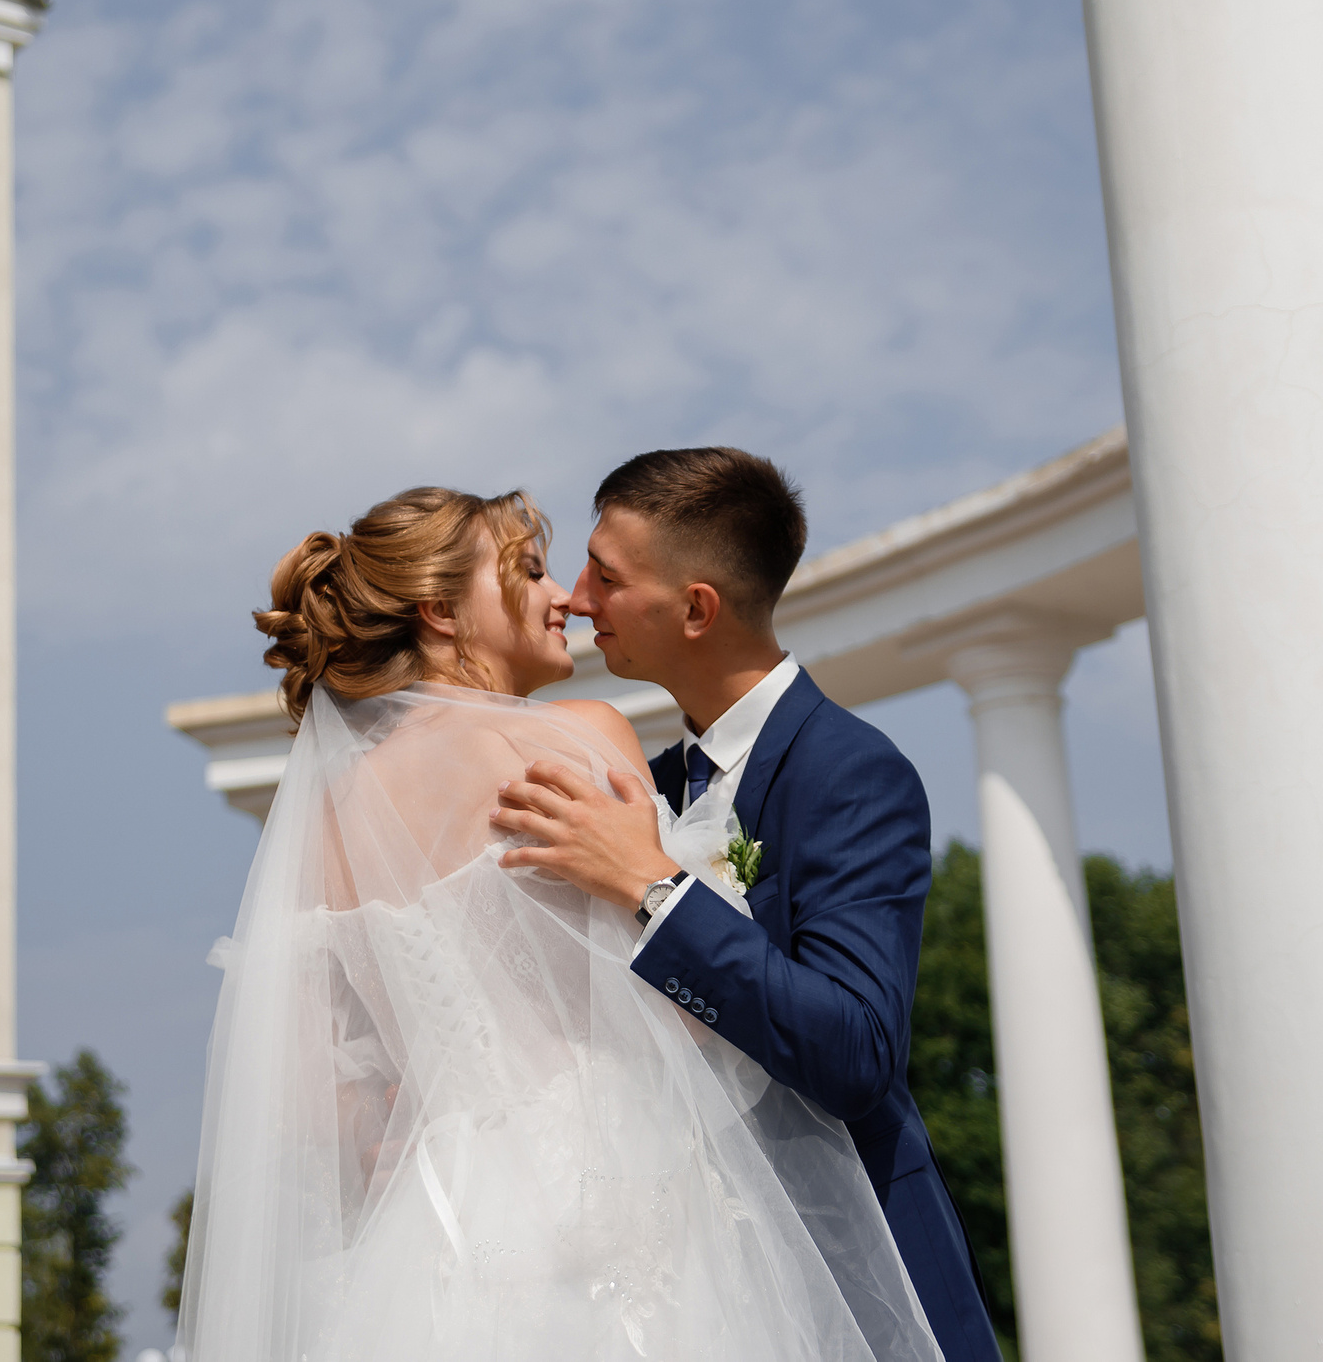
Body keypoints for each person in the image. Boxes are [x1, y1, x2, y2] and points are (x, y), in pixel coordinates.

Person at [173, 485, 943, 1362]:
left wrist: (431, 1121)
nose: (564, 597)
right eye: (530, 571)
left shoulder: (326, 821)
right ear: (440, 610)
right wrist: (666, 892)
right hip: (623, 1205)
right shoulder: (579, 738)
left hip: (442, 1236)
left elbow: (318, 1118)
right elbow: (689, 1036)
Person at [493, 448, 1001, 1362]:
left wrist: (653, 889)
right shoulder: (634, 790)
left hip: (849, 1289)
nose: (573, 598)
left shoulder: (853, 773)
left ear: (696, 608)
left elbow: (855, 1051)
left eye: (605, 577)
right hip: (682, 1294)